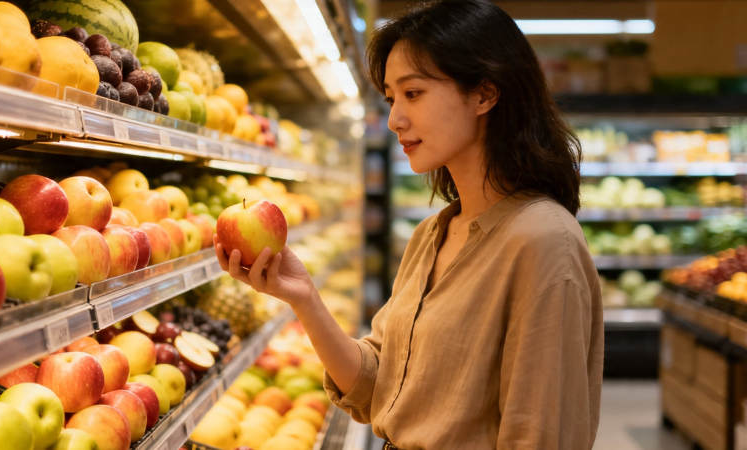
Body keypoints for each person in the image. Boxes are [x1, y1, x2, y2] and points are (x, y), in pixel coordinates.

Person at [214, 0, 603, 448]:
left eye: (413, 93)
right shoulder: (432, 235)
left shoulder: (542, 241)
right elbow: (378, 387)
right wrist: (303, 299)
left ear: (484, 93)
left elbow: (540, 435)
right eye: (391, 98)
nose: (395, 119)